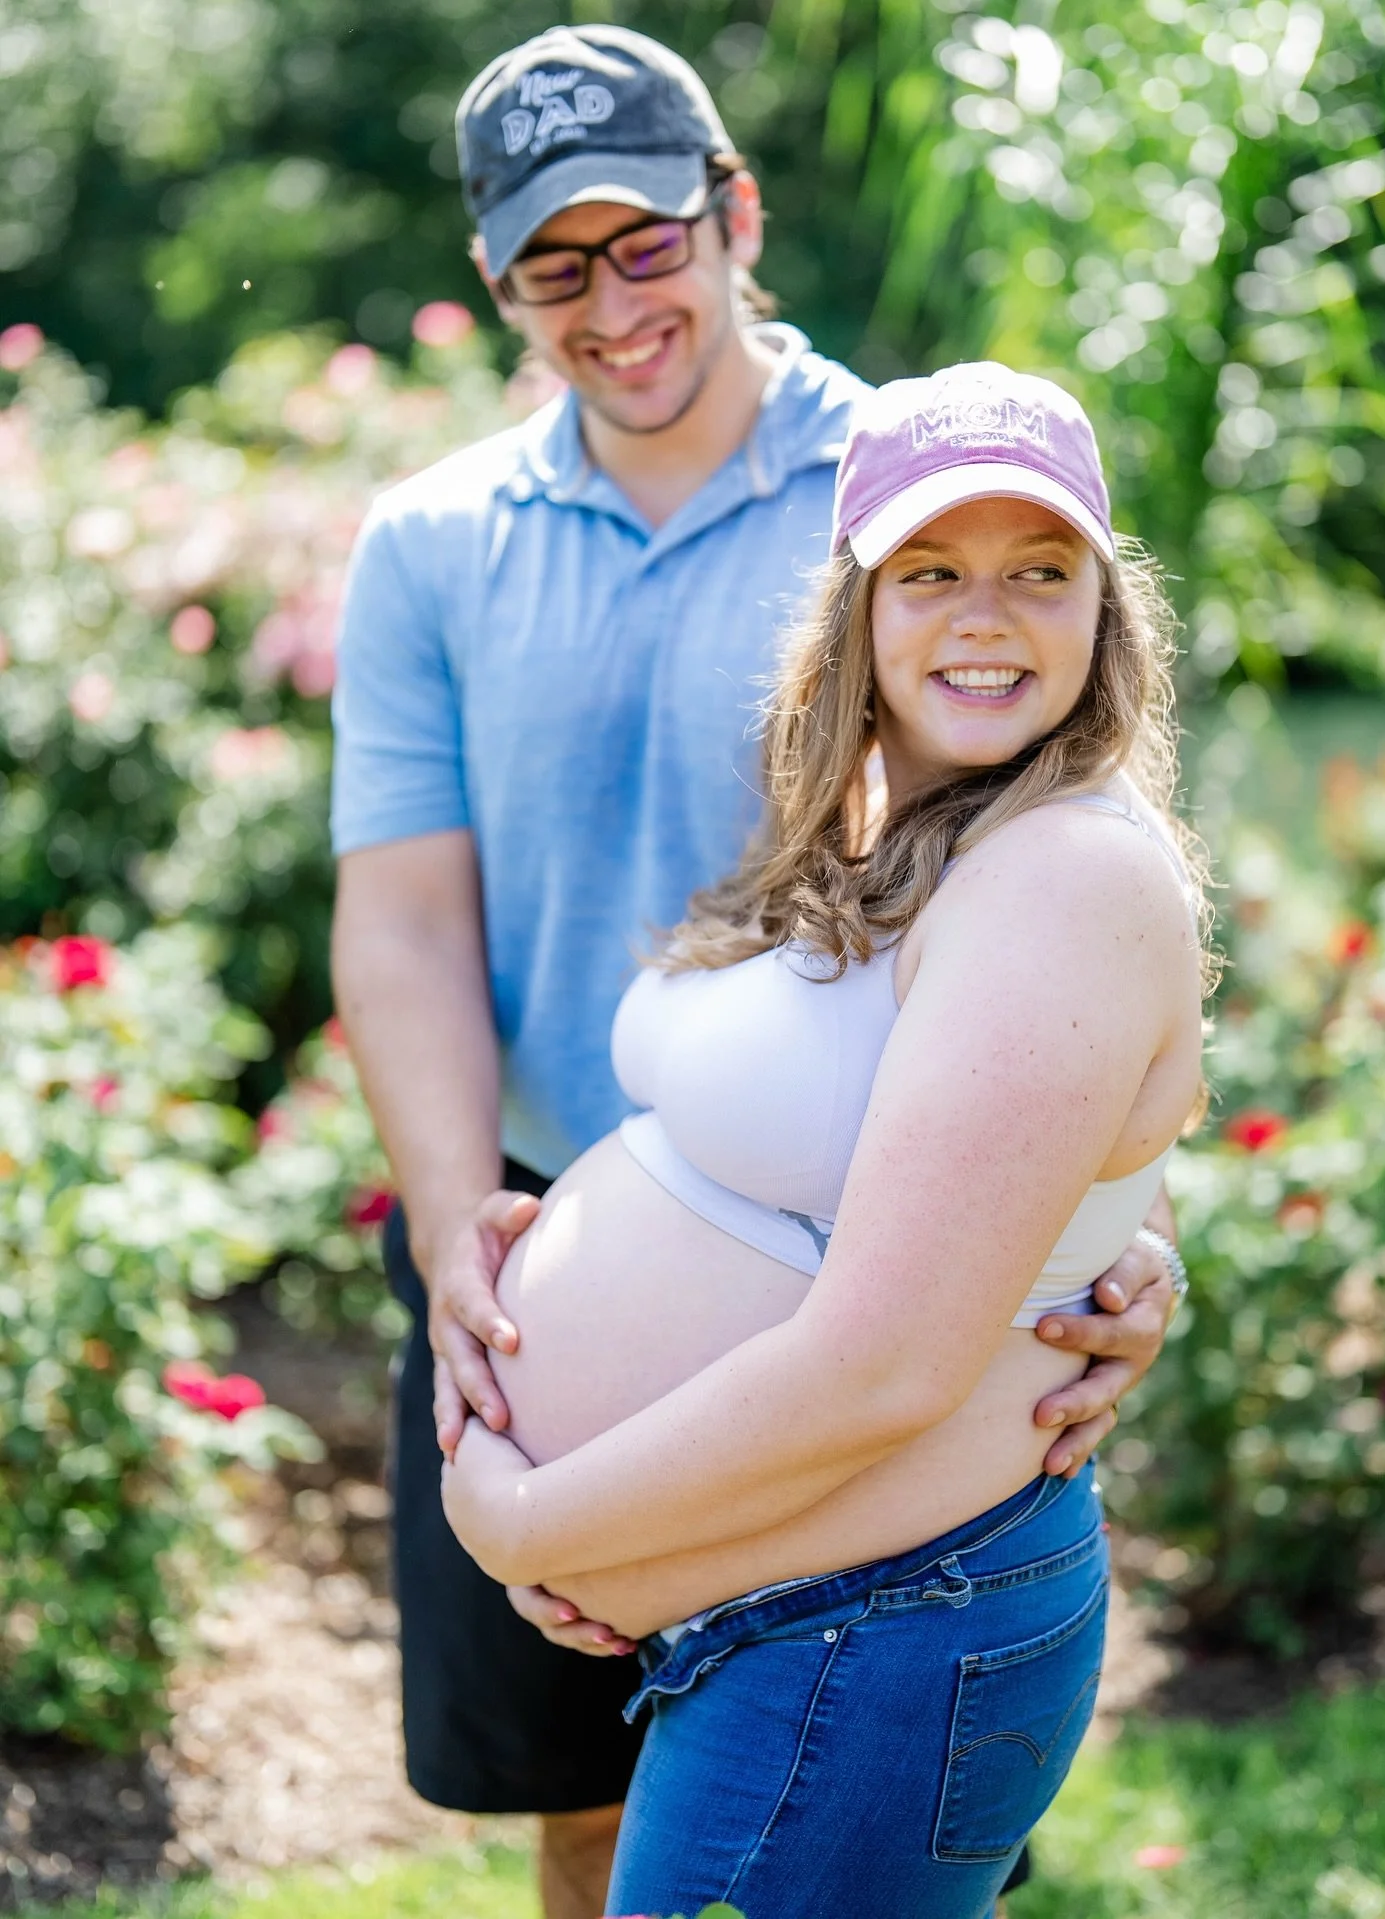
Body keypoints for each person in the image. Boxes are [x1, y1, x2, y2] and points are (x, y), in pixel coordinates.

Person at [329, 24, 1187, 1919]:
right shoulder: (430, 544)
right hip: (521, 1234)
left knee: (853, 1815)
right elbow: (399, 918)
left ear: (739, 217)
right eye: (558, 266)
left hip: (865, 1278)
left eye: (650, 244)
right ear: (497, 284)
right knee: (582, 1810)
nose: (614, 303)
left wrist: (1110, 1229)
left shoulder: (909, 495)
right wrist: (469, 1218)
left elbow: (1072, 899)